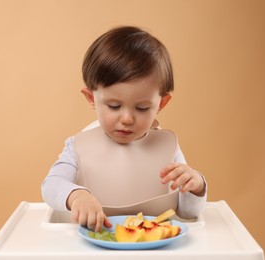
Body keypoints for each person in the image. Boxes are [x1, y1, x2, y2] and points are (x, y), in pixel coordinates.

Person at [42, 26, 207, 232]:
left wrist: (196, 187)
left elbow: (187, 213)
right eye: (114, 106)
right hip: (94, 245)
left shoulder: (167, 147)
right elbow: (51, 185)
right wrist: (77, 196)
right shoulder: (79, 147)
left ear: (161, 104)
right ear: (92, 98)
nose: (127, 118)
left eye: (142, 108)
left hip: (154, 246)